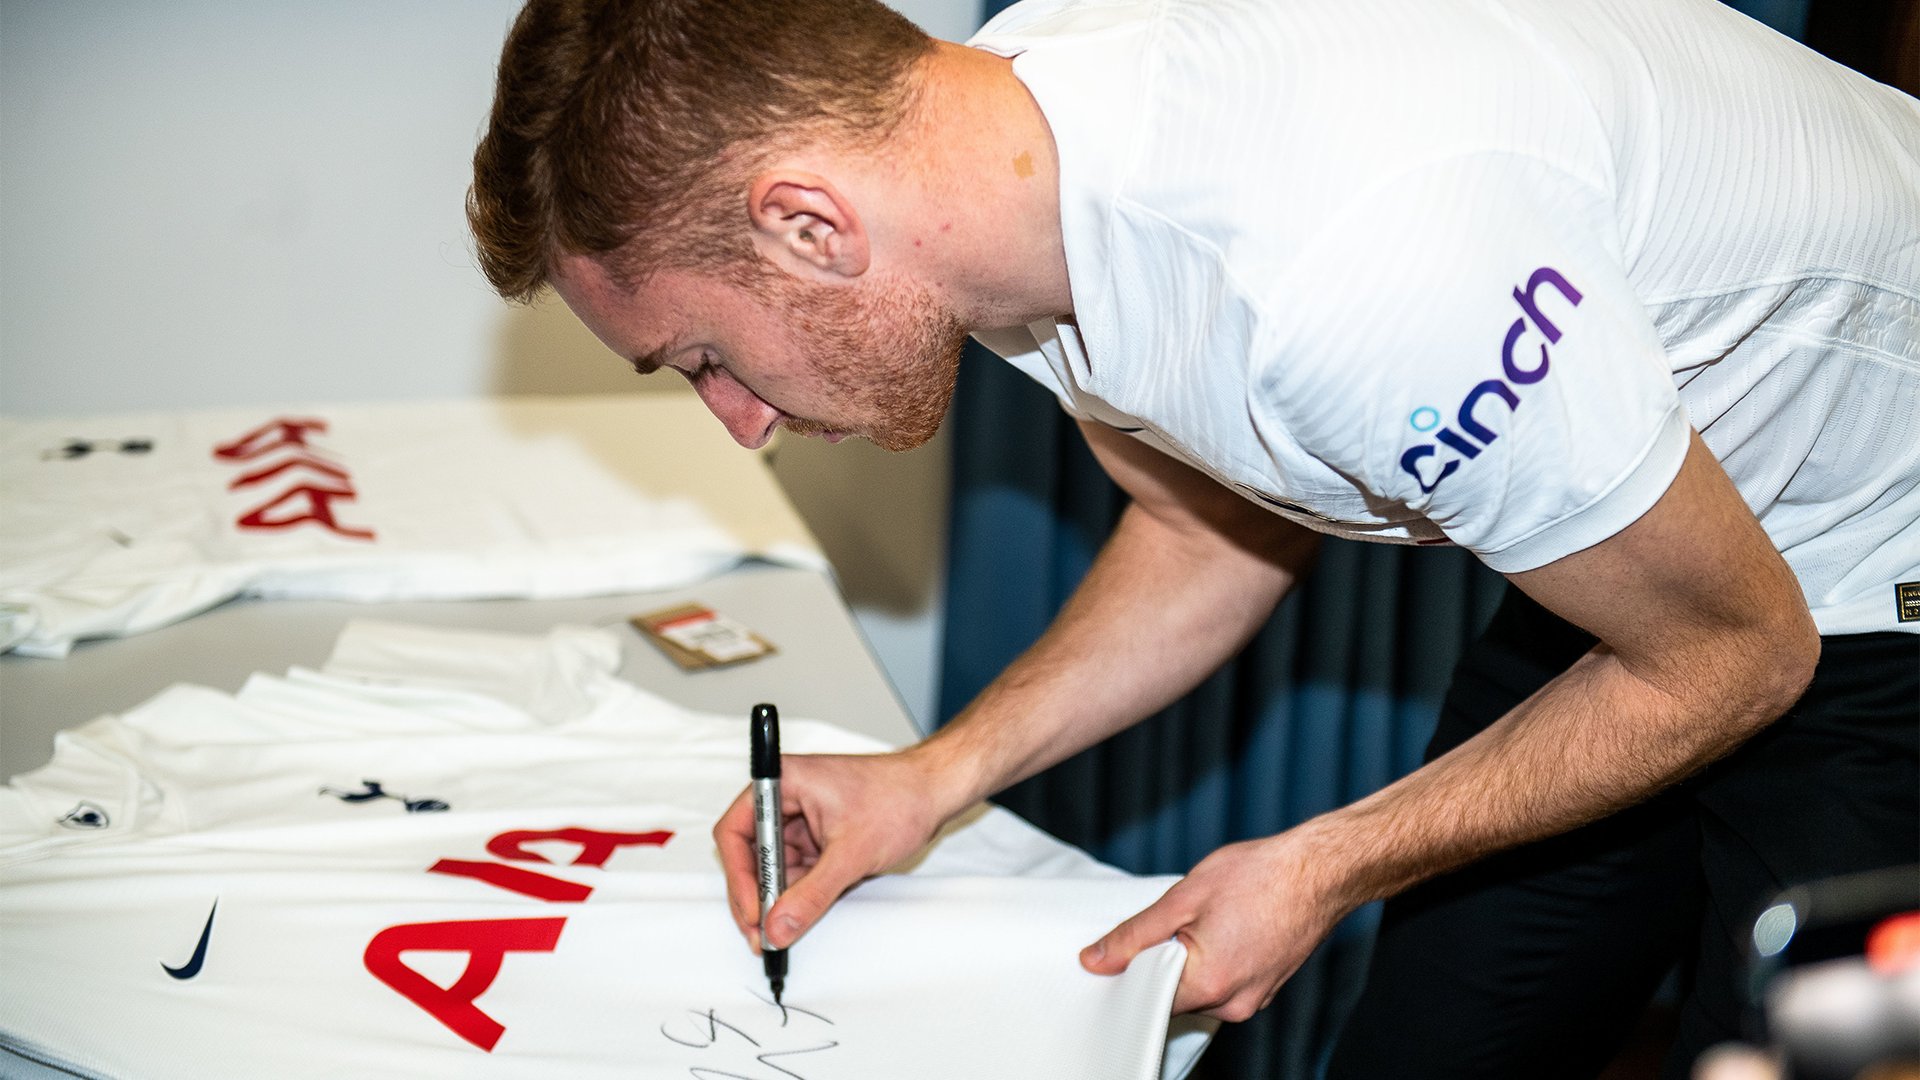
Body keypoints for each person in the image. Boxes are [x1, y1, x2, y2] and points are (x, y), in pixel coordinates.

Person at [466, 0, 1920, 1075]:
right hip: (1646, 538)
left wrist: (1322, 863)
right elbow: (1215, 522)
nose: (740, 421)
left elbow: (1737, 656)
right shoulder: (1000, 154)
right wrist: (935, 775)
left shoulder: (1360, 283)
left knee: (1777, 1050)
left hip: (1859, 573)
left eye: (706, 354)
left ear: (807, 227)